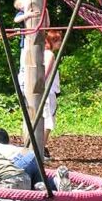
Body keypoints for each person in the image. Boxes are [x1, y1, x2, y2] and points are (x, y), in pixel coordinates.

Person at [0, 127, 67, 191]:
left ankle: (39, 186)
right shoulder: (9, 147)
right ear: (7, 141)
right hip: (31, 155)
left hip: (19, 162)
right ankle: (56, 182)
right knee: (38, 182)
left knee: (14, 182)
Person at [42, 30, 63, 158]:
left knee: (44, 119)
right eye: (59, 40)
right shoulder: (50, 55)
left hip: (46, 91)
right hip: (48, 92)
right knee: (48, 121)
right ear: (53, 41)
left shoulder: (43, 53)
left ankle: (41, 148)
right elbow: (46, 73)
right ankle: (41, 148)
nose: (60, 43)